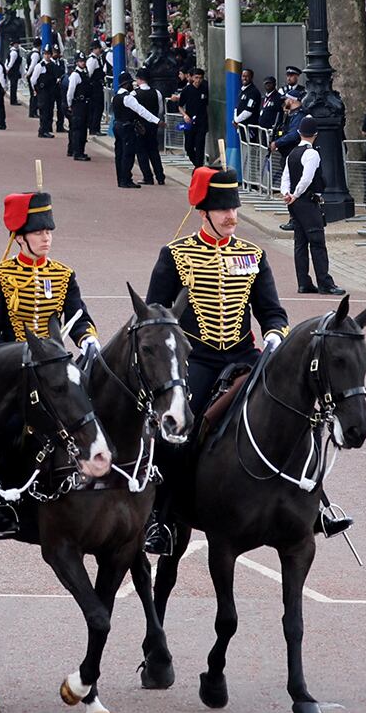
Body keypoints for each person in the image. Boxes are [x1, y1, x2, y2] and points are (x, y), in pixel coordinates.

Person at [142, 166, 293, 554]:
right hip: (199, 358)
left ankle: (313, 505)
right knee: (176, 428)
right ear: (203, 212)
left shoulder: (252, 254)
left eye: (234, 208)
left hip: (245, 354)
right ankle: (162, 517)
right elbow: (155, 315)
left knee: (295, 412)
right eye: (223, 209)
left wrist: (276, 335)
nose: (232, 216)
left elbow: (272, 312)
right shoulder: (175, 254)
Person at [0, 190, 98, 356]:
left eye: (48, 232)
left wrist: (87, 338)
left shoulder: (64, 275)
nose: (46, 238)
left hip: (54, 361)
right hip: (14, 361)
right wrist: (10, 355)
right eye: (38, 233)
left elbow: (78, 318)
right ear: (19, 238)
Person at [282, 117, 339, 293]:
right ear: (316, 134)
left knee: (300, 243)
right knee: (317, 242)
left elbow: (286, 177)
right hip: (307, 201)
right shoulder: (312, 153)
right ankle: (325, 283)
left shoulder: (292, 153)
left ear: (299, 133)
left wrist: (287, 194)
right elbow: (306, 178)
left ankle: (303, 282)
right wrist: (297, 194)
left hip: (295, 203)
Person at [176, 65, 209, 169]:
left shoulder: (205, 88)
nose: (198, 80)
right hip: (189, 121)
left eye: (200, 78)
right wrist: (185, 115)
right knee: (189, 146)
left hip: (201, 121)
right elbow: (180, 106)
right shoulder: (187, 90)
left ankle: (199, 167)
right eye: (196, 77)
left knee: (199, 145)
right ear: (192, 77)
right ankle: (196, 163)